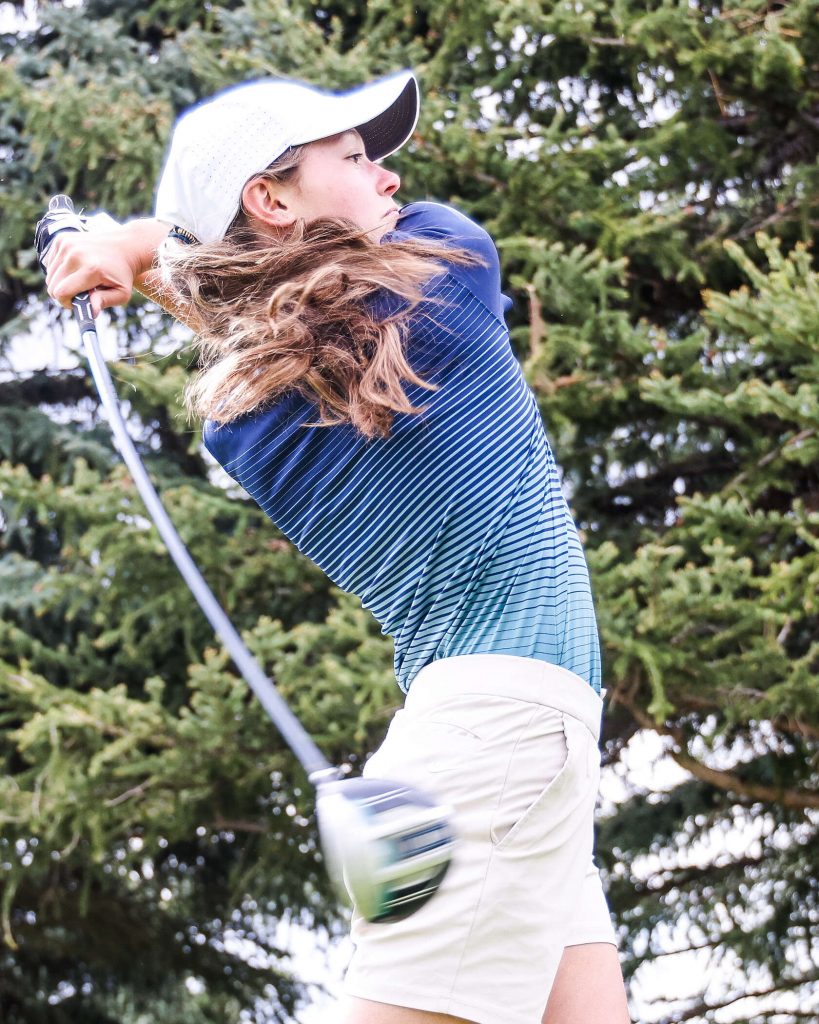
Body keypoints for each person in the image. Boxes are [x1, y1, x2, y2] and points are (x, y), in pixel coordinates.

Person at [45, 69, 632, 1024]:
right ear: (271, 200)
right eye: (355, 159)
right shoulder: (446, 259)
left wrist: (133, 247)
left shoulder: (243, 424)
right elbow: (303, 306)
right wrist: (134, 244)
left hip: (504, 743)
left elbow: (264, 311)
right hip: (499, 742)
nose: (389, 177)